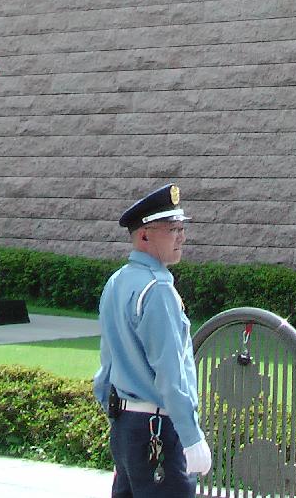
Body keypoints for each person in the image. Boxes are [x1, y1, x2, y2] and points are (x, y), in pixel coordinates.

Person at [94, 183, 212, 496]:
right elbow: (171, 374)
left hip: (127, 425)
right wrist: (191, 437)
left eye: (181, 227)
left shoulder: (117, 281)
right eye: (173, 229)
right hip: (158, 428)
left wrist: (118, 418)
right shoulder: (157, 290)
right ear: (145, 235)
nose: (182, 236)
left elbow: (107, 363)